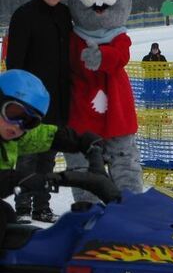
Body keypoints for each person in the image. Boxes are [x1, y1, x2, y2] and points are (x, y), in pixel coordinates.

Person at [0, 70, 101, 243]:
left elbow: (45, 135)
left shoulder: (11, 134)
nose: (18, 125)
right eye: (14, 113)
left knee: (7, 217)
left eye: (29, 122)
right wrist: (18, 179)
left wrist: (82, 141)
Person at [6, 0, 72, 223]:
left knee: (48, 156)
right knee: (27, 155)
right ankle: (22, 206)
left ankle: (41, 205)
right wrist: (19, 96)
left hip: (58, 99)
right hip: (30, 100)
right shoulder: (24, 15)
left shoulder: (65, 14)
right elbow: (15, 60)